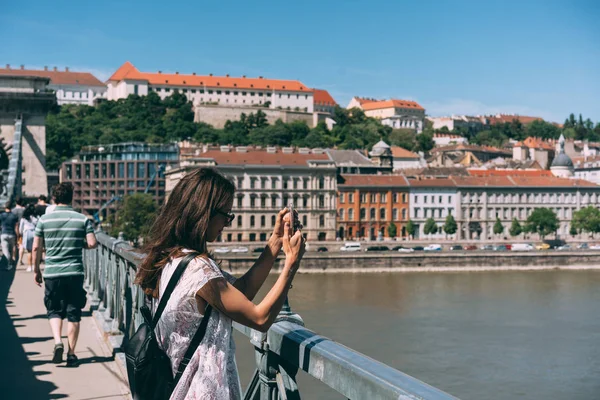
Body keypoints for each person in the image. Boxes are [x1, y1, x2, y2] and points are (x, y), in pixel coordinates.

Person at [135, 168, 305, 399]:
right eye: (226, 214)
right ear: (203, 213)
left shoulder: (174, 258)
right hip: (201, 390)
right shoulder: (199, 271)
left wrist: (274, 244)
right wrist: (291, 264)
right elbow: (260, 318)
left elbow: (240, 293)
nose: (227, 221)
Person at [33, 183, 97, 367]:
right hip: (74, 272)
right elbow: (92, 243)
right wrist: (79, 245)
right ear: (71, 198)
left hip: (52, 272)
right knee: (74, 313)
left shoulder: (44, 220)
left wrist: (37, 270)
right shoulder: (82, 219)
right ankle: (71, 353)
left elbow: (36, 247)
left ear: (54, 198)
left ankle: (57, 341)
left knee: (54, 310)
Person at [0, 202, 20, 270]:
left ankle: (8, 264)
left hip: (4, 234)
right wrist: (18, 235)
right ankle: (10, 262)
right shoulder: (14, 216)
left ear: (5, 207)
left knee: (5, 251)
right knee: (11, 250)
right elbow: (16, 227)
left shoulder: (2, 215)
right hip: (12, 234)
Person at [19, 204, 38, 272]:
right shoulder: (35, 217)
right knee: (35, 251)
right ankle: (35, 265)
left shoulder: (24, 218)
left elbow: (20, 229)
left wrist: (20, 234)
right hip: (35, 233)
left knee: (29, 251)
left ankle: (29, 266)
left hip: (27, 233)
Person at [12, 198, 25, 265]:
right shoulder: (24, 210)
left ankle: (14, 258)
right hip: (22, 228)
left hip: (14, 228)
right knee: (21, 244)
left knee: (14, 244)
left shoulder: (13, 210)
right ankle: (20, 259)